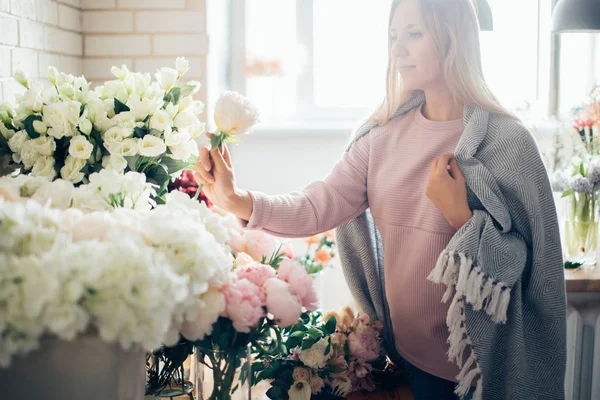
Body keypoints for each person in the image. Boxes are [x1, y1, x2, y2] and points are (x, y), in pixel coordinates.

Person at [195, 1, 566, 399]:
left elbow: (532, 269)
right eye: (393, 36)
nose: (397, 49)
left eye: (414, 34)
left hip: (479, 374)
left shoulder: (508, 142)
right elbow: (320, 203)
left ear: (453, 36)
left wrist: (461, 215)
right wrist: (237, 200)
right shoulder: (380, 137)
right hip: (406, 357)